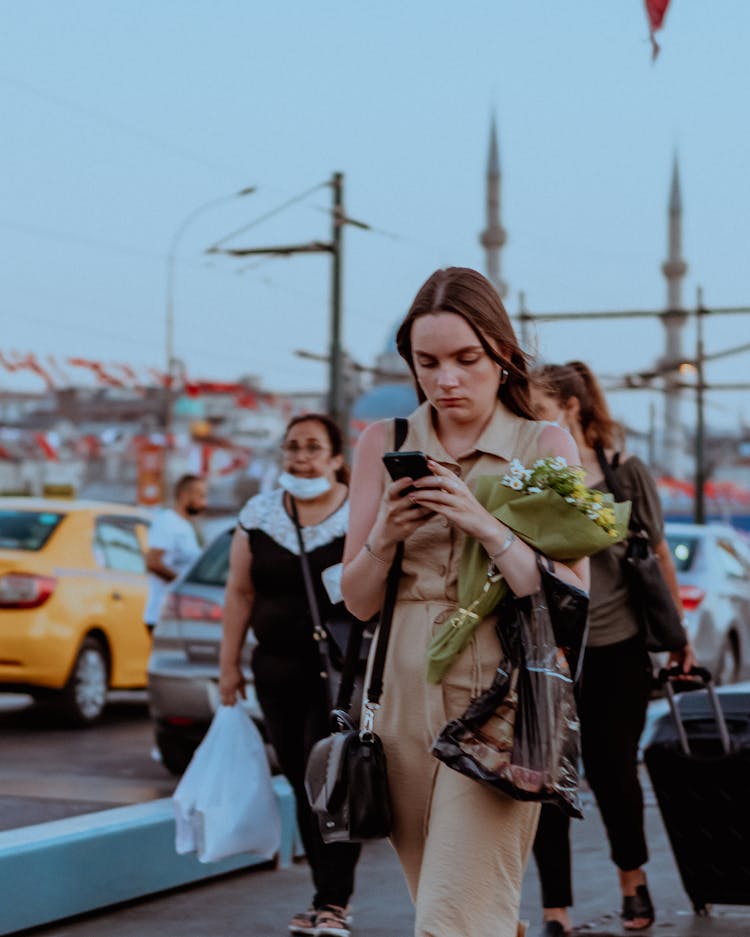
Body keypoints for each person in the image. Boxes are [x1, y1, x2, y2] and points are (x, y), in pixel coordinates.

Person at [340, 267, 589, 937]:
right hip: (401, 699)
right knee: (456, 906)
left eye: (465, 358)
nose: (446, 378)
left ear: (501, 354)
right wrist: (386, 535)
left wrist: (485, 524)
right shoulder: (382, 443)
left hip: (504, 702)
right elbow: (357, 601)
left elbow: (570, 596)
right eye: (428, 362)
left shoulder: (544, 445)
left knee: (451, 921)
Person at [528, 361, 695, 936]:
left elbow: (660, 555)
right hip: (544, 653)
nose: (533, 423)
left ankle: (633, 882)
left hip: (617, 644)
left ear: (572, 409)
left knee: (614, 772)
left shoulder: (624, 473)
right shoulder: (527, 477)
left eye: (542, 411)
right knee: (546, 780)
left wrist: (677, 638)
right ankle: (555, 909)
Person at [219, 413, 362, 937]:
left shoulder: (357, 512)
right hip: (275, 668)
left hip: (339, 672)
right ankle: (325, 897)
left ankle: (333, 903)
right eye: (292, 447)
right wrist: (228, 665)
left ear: (336, 458)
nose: (301, 457)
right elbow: (239, 592)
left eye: (313, 447)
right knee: (303, 780)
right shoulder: (259, 514)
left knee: (332, 781)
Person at [144, 473, 207, 634]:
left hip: (180, 613)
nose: (204, 502)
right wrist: (182, 585)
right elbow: (153, 562)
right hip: (162, 613)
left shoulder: (186, 526)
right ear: (184, 495)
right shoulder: (167, 521)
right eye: (200, 496)